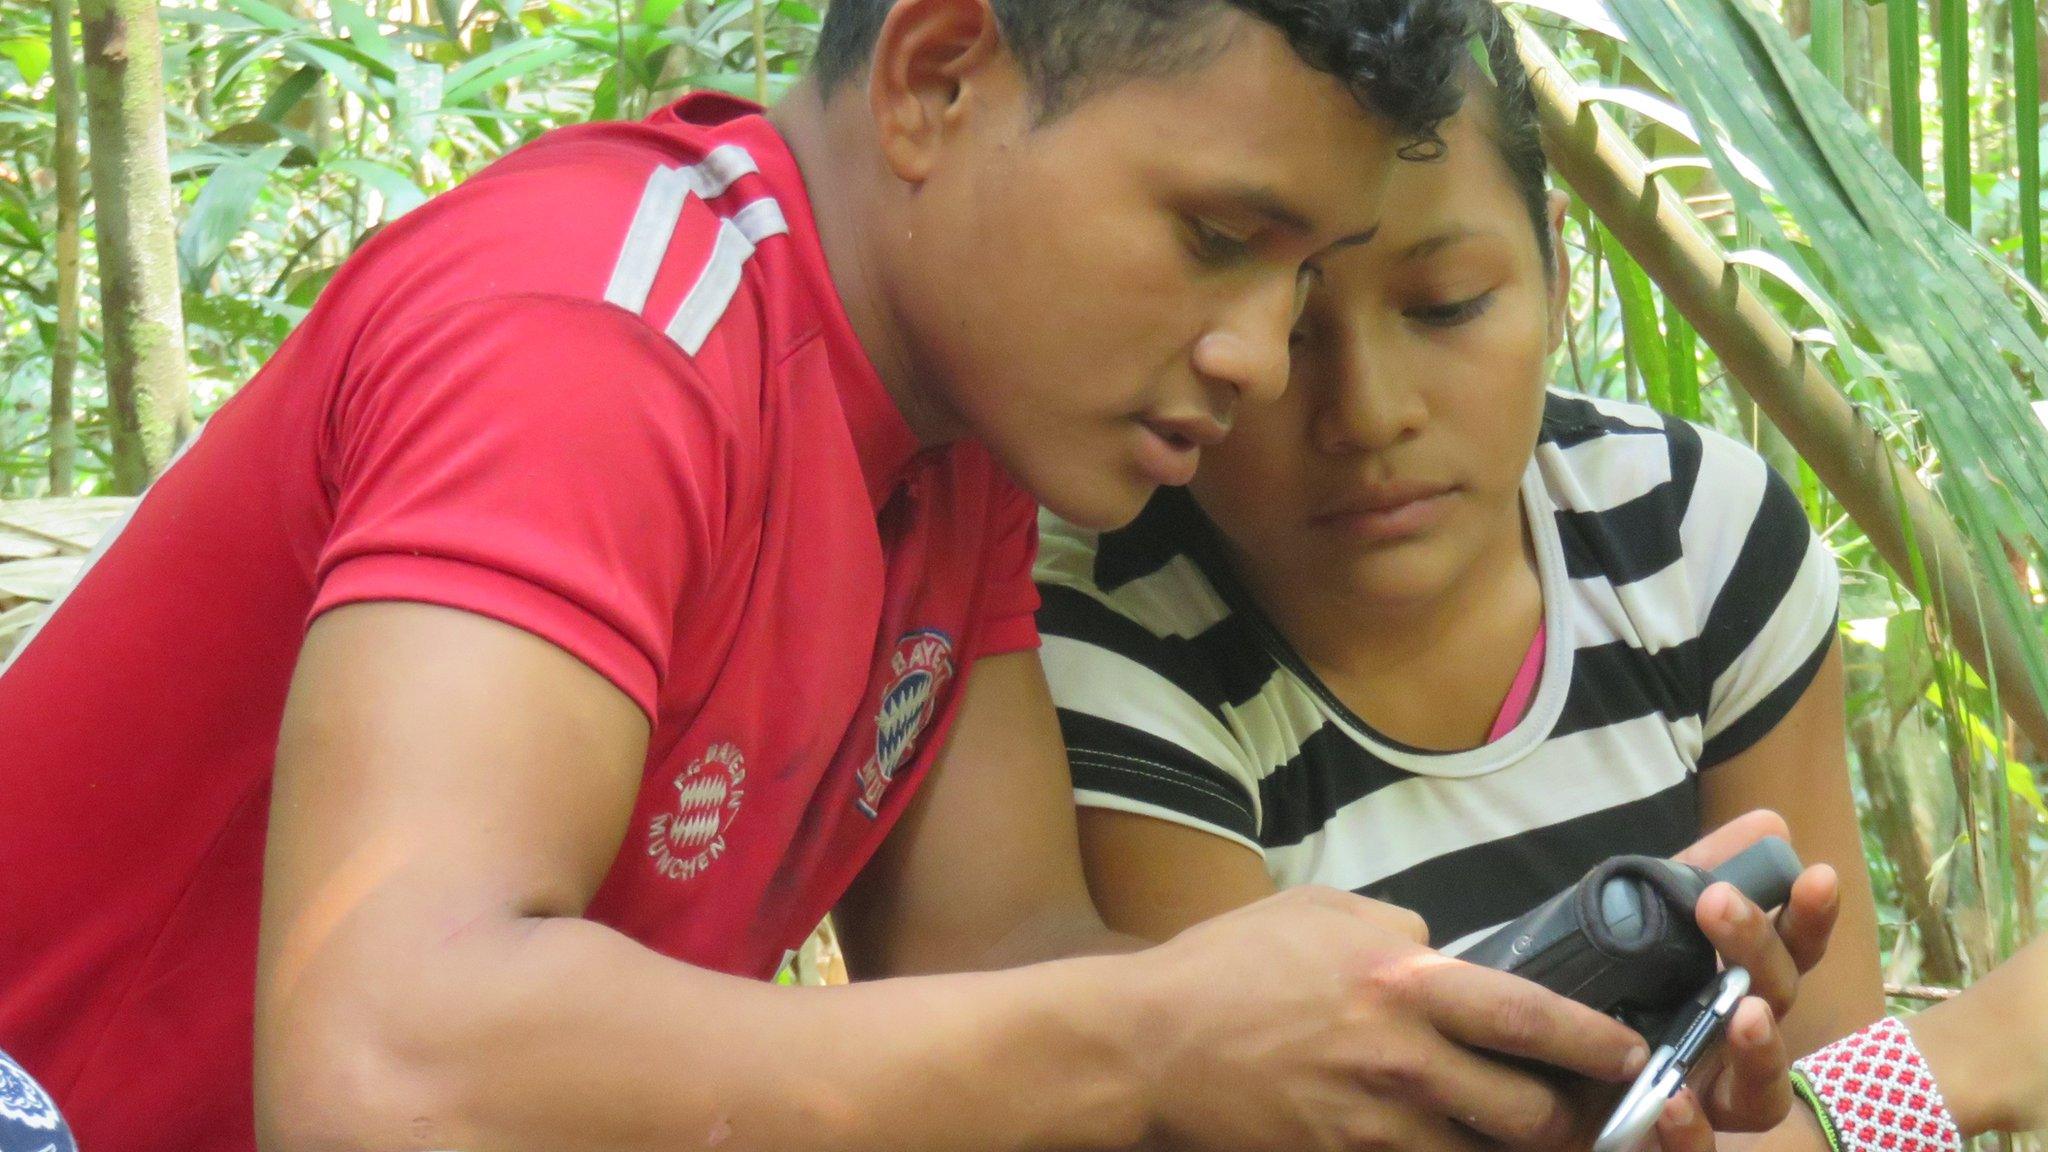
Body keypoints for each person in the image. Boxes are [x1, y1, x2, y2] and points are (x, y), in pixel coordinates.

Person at [0, 2, 1822, 1151]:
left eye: (1305, 270)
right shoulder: (603, 330)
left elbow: (1001, 973)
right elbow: (391, 1063)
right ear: (939, 76)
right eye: (1213, 240)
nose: (1262, 355)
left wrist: (1436, 1066)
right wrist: (1149, 1035)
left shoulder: (959, 461)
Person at [1031, 2, 1887, 1146]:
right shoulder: (1110, 640)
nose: (1369, 414)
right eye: (1287, 328)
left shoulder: (1694, 538)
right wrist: (1969, 1063)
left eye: (1444, 306)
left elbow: (1822, 1070)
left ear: (1552, 268)